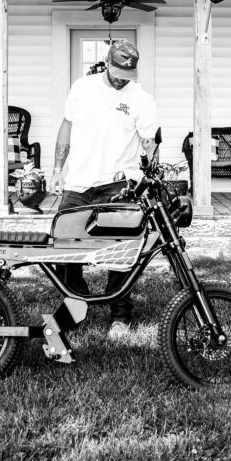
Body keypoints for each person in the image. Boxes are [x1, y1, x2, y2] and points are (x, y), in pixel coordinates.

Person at [50, 38, 158, 335]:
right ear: (107, 63)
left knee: (121, 252)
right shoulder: (82, 88)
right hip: (78, 183)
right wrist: (58, 169)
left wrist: (149, 167)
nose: (122, 80)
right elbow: (67, 125)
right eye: (118, 73)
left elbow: (150, 141)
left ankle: (120, 316)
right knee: (63, 247)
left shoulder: (142, 99)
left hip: (118, 185)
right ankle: (76, 304)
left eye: (128, 76)